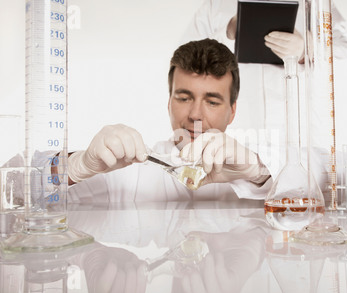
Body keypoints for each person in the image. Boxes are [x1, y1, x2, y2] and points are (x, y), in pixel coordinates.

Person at [62, 39, 273, 203]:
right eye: (184, 98)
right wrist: (76, 165)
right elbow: (34, 198)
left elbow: (301, 192)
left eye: (212, 102)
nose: (195, 114)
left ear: (232, 111)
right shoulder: (132, 173)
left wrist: (259, 173)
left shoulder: (252, 167)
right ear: (169, 103)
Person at [181, 0, 347, 149]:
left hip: (298, 138)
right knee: (236, 179)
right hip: (237, 135)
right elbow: (183, 66)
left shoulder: (316, 5)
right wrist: (226, 33)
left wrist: (307, 50)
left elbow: (346, 59)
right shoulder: (216, 6)